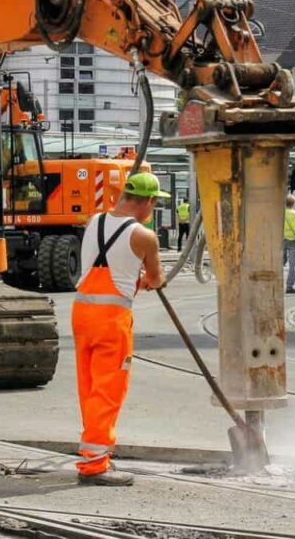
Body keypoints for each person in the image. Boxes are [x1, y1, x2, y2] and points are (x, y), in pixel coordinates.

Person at [72, 172, 168, 487]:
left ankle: (92, 453)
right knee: (108, 388)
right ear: (149, 201)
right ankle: (95, 464)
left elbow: (110, 263)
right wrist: (151, 277)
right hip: (111, 320)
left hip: (82, 314)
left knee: (88, 385)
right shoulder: (144, 236)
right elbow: (155, 279)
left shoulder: (93, 221)